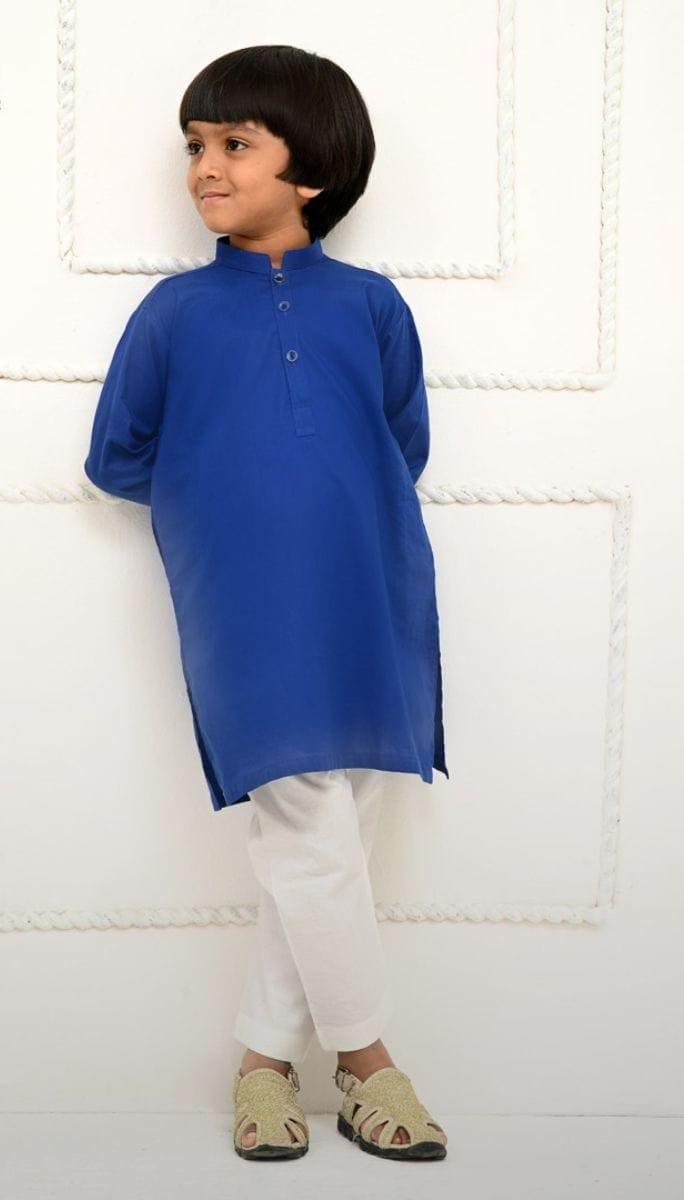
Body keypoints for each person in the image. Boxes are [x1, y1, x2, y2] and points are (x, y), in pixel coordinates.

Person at [83, 45, 449, 1162]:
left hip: (365, 583)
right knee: (304, 818)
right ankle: (369, 1063)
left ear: (312, 169)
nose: (204, 166)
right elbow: (116, 457)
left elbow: (400, 443)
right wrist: (226, 497)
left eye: (235, 143)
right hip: (242, 597)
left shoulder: (371, 306)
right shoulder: (175, 312)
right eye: (195, 145)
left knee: (334, 827)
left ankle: (259, 1067)